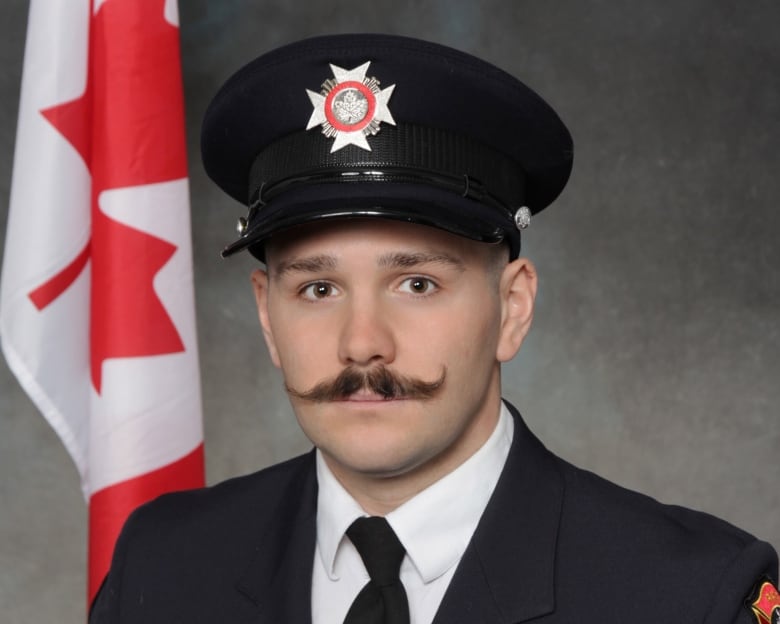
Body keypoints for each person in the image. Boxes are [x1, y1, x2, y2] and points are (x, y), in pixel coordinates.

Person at [90, 34, 779, 624]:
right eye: (318, 288)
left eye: (417, 284)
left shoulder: (687, 596)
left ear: (512, 308)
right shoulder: (164, 571)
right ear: (268, 316)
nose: (362, 343)